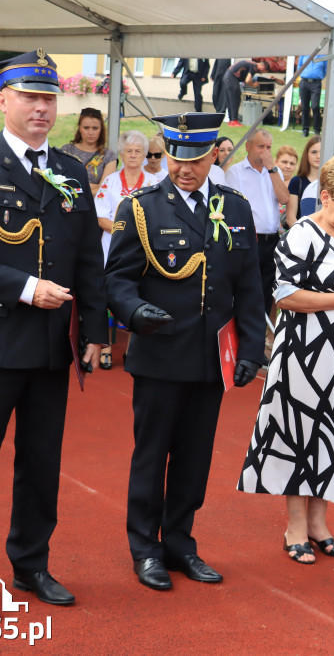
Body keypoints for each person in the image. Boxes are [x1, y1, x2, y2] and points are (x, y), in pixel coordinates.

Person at [0, 49, 107, 617]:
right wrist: (26, 287)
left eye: (48, 97)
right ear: (2, 100)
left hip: (52, 344)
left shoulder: (72, 169)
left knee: (41, 464)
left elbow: (87, 258)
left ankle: (31, 563)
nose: (40, 107)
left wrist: (95, 331)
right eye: (29, 96)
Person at [105, 111, 266, 591]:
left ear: (214, 153)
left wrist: (253, 349)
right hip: (159, 355)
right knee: (152, 455)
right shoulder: (140, 207)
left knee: (195, 458)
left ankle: (179, 542)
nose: (184, 168)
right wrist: (135, 314)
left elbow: (250, 287)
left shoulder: (235, 208)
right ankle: (145, 548)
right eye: (176, 158)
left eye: (194, 158)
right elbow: (117, 280)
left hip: (211, 359)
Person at [238, 152, 334, 563]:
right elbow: (284, 295)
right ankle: (295, 527)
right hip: (303, 354)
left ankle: (321, 524)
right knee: (299, 436)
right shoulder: (301, 234)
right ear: (324, 196)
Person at [94, 130, 162, 370]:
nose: (133, 155)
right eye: (129, 151)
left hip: (144, 251)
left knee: (139, 295)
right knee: (105, 296)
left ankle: (134, 348)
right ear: (121, 153)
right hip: (110, 249)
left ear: (145, 155)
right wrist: (125, 232)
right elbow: (100, 215)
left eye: (138, 151)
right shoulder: (110, 181)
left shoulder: (155, 183)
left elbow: (160, 218)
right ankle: (105, 348)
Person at [226, 129, 290, 321]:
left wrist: (272, 170)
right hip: (249, 240)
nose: (265, 152)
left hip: (272, 241)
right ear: (248, 147)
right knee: (249, 292)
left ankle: (261, 339)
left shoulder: (274, 172)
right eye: (260, 146)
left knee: (267, 293)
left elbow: (284, 198)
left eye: (268, 147)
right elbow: (233, 210)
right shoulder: (236, 172)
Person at [59, 107, 118, 196]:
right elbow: (58, 184)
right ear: (79, 128)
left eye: (95, 128)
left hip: (96, 207)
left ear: (101, 129)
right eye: (86, 128)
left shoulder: (109, 156)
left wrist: (74, 189)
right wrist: (94, 186)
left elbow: (104, 190)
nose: (90, 132)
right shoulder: (66, 150)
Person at [223, 59, 283, 127]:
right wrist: (253, 85)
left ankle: (231, 120)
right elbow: (248, 80)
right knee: (235, 100)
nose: (262, 73)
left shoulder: (251, 64)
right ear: (263, 67)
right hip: (232, 78)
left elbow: (246, 79)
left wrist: (251, 83)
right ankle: (234, 121)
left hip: (227, 76)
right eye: (263, 71)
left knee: (230, 99)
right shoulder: (254, 67)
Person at [286, 136, 321, 227]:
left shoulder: (333, 183)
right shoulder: (297, 182)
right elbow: (290, 218)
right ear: (307, 154)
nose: (318, 156)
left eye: (322, 152)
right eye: (314, 152)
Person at [297, 54, 327, 137]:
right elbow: (299, 67)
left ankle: (317, 129)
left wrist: (318, 76)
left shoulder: (323, 56)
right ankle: (305, 129)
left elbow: (325, 70)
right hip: (304, 82)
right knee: (304, 107)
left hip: (316, 83)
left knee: (315, 106)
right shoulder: (304, 55)